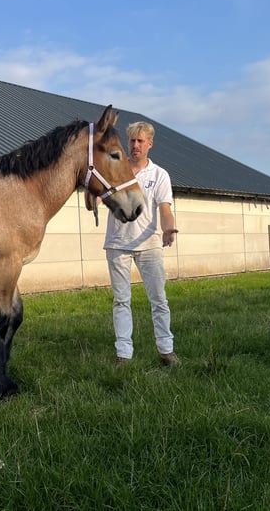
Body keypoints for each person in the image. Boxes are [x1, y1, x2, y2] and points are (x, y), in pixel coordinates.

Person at [103, 120, 180, 367]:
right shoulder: (115, 168)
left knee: (159, 300)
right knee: (121, 301)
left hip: (149, 245)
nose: (135, 145)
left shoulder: (159, 175)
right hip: (117, 243)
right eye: (132, 141)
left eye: (140, 141)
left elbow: (165, 209)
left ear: (150, 144)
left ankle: (166, 351)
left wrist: (169, 228)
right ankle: (123, 354)